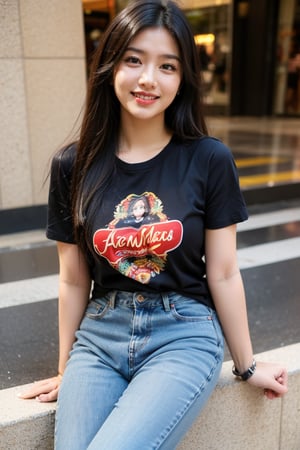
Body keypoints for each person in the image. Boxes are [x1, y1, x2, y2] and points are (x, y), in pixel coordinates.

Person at [20, 1, 288, 449]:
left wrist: (245, 364)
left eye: (167, 66)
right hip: (99, 337)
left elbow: (222, 272)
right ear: (110, 67)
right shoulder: (73, 164)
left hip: (182, 333)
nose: (148, 79)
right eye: (134, 60)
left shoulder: (209, 160)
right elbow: (72, 280)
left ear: (182, 80)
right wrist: (68, 369)